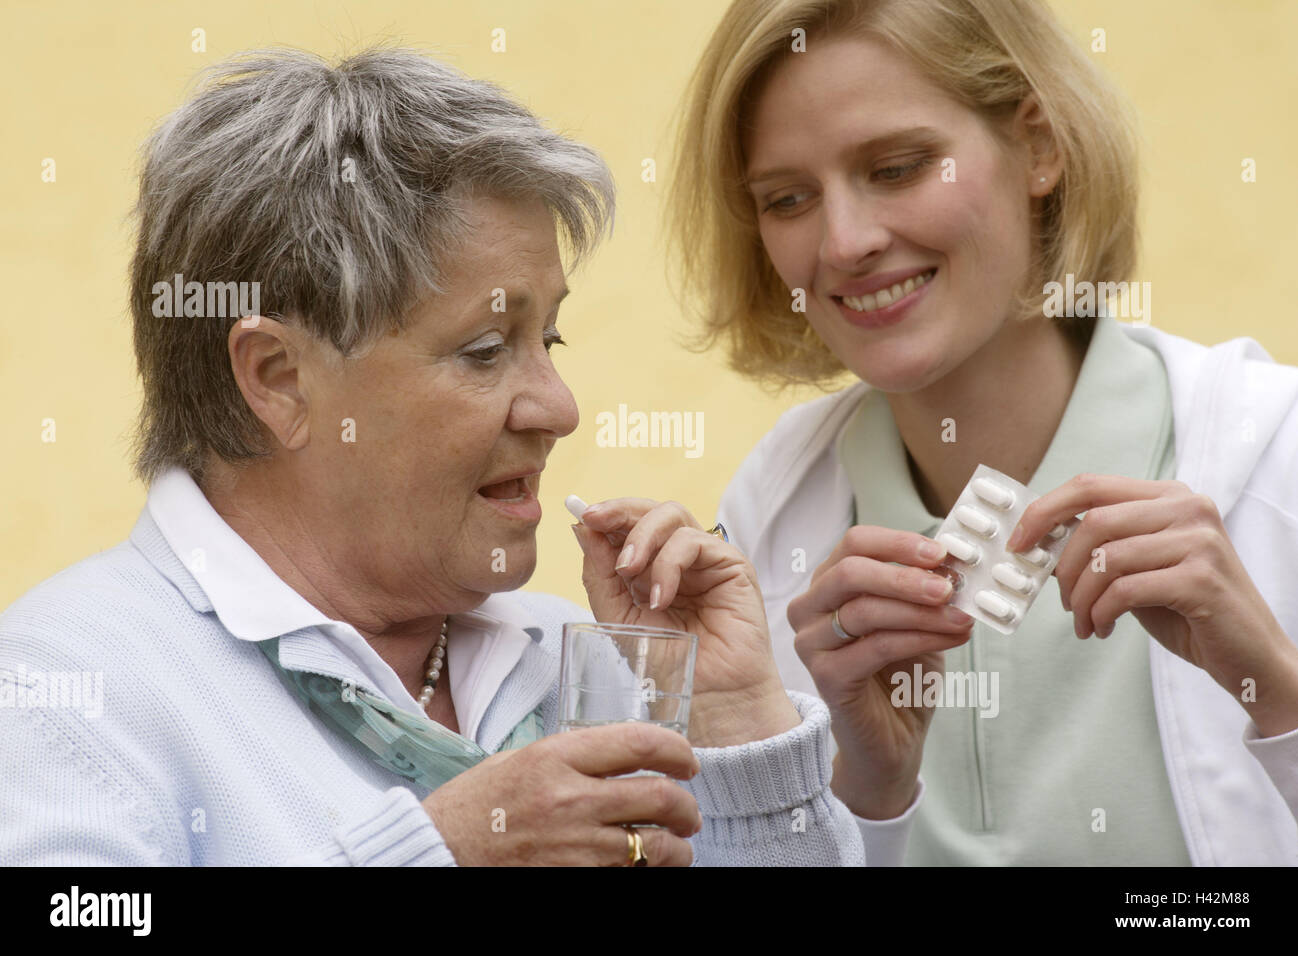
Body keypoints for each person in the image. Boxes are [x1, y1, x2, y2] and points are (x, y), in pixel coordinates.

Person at [0, 46, 865, 867]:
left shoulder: (576, 655)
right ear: (278, 380)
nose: (560, 409)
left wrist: (737, 728)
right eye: (486, 351)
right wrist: (440, 851)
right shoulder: (62, 686)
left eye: (550, 340)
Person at [666, 0, 1298, 864]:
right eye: (787, 198)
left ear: (1038, 146)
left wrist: (1281, 696)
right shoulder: (769, 518)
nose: (845, 242)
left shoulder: (1276, 458)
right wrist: (869, 795)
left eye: (896, 168)